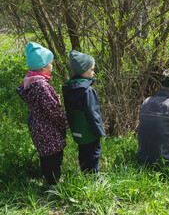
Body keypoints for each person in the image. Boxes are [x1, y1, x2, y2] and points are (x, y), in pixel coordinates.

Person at [16, 42, 67, 189]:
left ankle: (49, 181)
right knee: (54, 156)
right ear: (44, 67)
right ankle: (54, 187)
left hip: (38, 124)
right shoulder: (41, 85)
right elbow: (51, 109)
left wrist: (52, 98)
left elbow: (41, 104)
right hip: (47, 127)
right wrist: (64, 119)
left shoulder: (31, 82)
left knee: (46, 155)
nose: (52, 66)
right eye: (50, 63)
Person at [62, 50, 106, 176]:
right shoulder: (88, 91)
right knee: (93, 153)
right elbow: (93, 114)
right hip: (90, 132)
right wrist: (100, 132)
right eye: (92, 69)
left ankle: (85, 173)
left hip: (78, 131)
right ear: (84, 70)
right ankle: (93, 178)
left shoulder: (69, 88)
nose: (94, 72)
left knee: (83, 152)